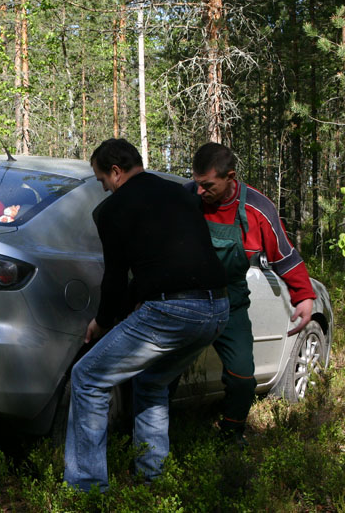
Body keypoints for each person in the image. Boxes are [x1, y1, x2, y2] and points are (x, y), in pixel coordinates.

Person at [64, 138, 229, 492]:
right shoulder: (181, 195)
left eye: (101, 180)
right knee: (152, 382)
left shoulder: (112, 210)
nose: (103, 188)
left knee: (88, 377)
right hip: (217, 309)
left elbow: (115, 277)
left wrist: (103, 322)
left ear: (116, 171)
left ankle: (86, 488)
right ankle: (154, 479)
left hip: (174, 310)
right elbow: (169, 260)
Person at [188, 142, 316, 443]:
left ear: (230, 176)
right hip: (188, 300)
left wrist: (305, 296)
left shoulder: (258, 208)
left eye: (207, 186)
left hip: (230, 303)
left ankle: (232, 435)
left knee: (243, 377)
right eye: (195, 184)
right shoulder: (186, 199)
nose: (199, 192)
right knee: (164, 372)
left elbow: (284, 256)